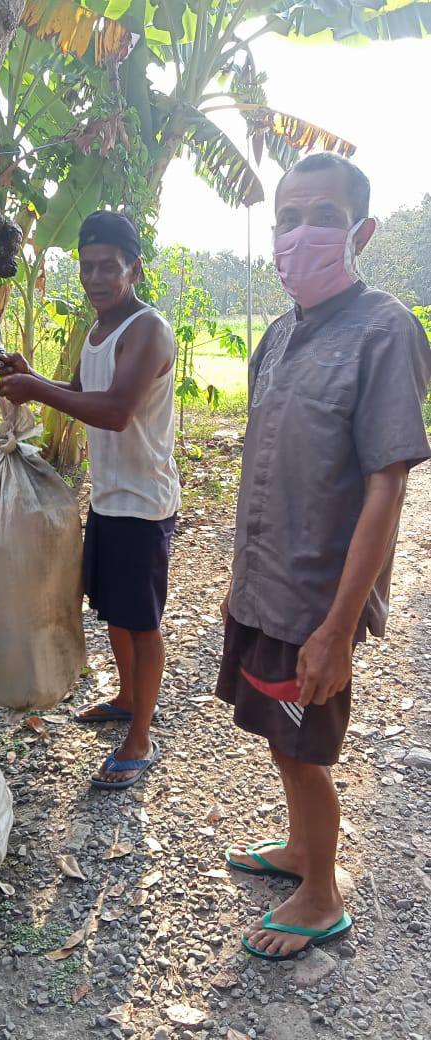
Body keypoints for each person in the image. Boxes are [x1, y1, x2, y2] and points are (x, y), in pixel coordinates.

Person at [216, 154, 431, 960]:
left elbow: (385, 487)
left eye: (322, 218)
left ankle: (320, 894)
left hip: (317, 597)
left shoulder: (385, 329)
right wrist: (237, 584)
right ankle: (304, 851)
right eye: (286, 217)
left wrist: (338, 629)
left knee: (305, 747)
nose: (298, 233)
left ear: (361, 233)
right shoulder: (276, 336)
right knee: (279, 735)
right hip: (264, 588)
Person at [0, 210, 180, 790]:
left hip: (143, 504)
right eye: (87, 267)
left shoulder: (146, 330)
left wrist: (33, 390)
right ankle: (126, 697)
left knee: (141, 623)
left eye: (109, 267)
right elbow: (80, 392)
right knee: (116, 614)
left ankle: (141, 737)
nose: (96, 278)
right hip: (109, 499)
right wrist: (33, 375)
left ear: (134, 270)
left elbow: (115, 411)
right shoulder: (99, 330)